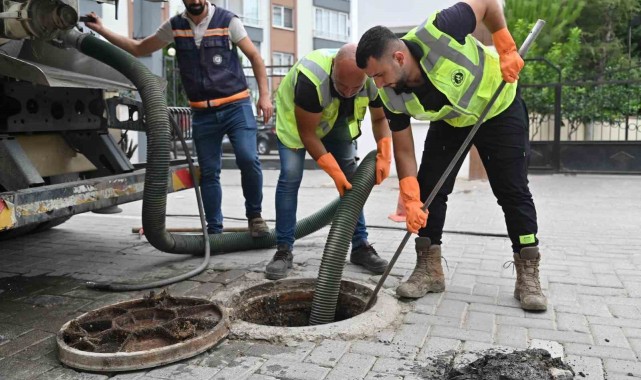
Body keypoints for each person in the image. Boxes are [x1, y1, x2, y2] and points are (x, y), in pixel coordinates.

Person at [355, 0, 547, 311]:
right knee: (430, 189)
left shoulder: (440, 29)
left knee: (512, 191)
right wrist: (410, 194)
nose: (377, 84)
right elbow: (404, 148)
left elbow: (486, 3)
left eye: (379, 74)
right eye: (372, 79)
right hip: (453, 119)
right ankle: (429, 270)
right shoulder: (390, 93)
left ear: (399, 57)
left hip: (498, 107)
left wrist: (505, 45)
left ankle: (528, 273)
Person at [84, 0, 273, 237]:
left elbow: (255, 56)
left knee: (248, 158)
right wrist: (101, 29)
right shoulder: (174, 26)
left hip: (236, 106)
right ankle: (214, 231)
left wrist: (264, 96)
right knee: (209, 171)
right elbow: (139, 48)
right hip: (203, 113)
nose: (194, 1)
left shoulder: (228, 21)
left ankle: (255, 217)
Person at [265, 44, 392, 280]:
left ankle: (360, 246)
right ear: (334, 68)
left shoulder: (372, 77)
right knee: (290, 177)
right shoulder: (311, 78)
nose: (348, 92)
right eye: (342, 85)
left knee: (353, 181)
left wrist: (385, 152)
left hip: (337, 119)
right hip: (298, 124)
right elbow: (308, 134)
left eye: (355, 87)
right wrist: (334, 172)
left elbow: (379, 118)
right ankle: (283, 249)